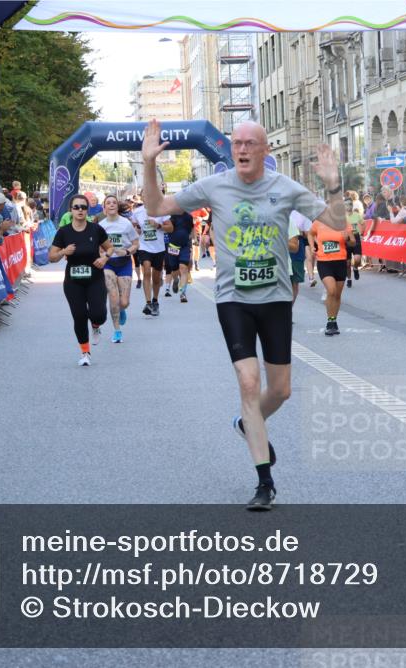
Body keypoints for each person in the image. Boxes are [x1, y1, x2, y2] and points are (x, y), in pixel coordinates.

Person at [141, 118, 345, 511]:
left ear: (265, 151)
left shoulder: (285, 187)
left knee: (281, 389)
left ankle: (246, 422)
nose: (243, 149)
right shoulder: (214, 186)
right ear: (231, 150)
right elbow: (154, 207)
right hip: (233, 298)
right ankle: (264, 482)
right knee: (249, 383)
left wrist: (334, 185)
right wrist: (149, 164)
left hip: (274, 299)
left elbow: (337, 222)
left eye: (251, 143)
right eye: (237, 143)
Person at [48, 194, 112, 364]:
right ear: (71, 210)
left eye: (83, 207)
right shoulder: (64, 232)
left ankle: (96, 325)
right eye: (76, 207)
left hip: (95, 279)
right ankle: (85, 353)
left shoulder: (95, 229)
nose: (80, 210)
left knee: (99, 314)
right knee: (79, 316)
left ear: (87, 210)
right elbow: (51, 257)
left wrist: (104, 258)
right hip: (73, 282)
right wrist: (63, 252)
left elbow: (110, 247)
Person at [98, 194, 139, 343]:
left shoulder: (126, 224)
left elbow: (136, 243)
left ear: (117, 206)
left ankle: (122, 310)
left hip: (124, 262)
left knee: (124, 302)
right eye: (108, 203)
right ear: (104, 207)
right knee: (113, 297)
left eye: (114, 202)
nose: (111, 205)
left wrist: (127, 251)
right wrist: (101, 254)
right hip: (108, 263)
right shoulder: (101, 226)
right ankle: (117, 331)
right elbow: (97, 246)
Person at [309, 214, 355, 335]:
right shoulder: (318, 222)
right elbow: (310, 233)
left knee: (337, 295)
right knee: (331, 290)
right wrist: (313, 246)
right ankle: (329, 322)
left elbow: (353, 242)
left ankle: (334, 321)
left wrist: (348, 239)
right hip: (324, 262)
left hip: (340, 262)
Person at [132, 198, 166, 317]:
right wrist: (136, 229)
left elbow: (170, 228)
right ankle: (148, 303)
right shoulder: (137, 212)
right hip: (144, 247)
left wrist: (158, 225)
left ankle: (155, 301)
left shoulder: (161, 211)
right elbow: (133, 227)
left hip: (159, 248)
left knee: (156, 278)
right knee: (146, 271)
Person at [162, 209, 195, 303]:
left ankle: (183, 293)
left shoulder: (189, 216)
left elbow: (192, 227)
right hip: (173, 246)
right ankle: (175, 280)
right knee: (174, 270)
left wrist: (193, 238)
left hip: (185, 246)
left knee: (183, 268)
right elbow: (166, 227)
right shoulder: (171, 216)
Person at [344, 198, 364, 286]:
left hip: (355, 237)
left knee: (357, 259)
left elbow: (363, 224)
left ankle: (355, 268)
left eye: (350, 204)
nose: (349, 206)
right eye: (347, 204)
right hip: (346, 239)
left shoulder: (357, 215)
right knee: (347, 263)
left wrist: (362, 232)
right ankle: (349, 279)